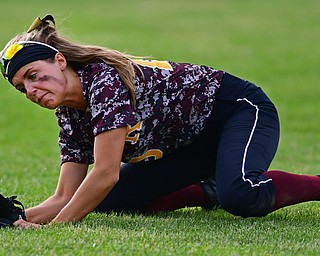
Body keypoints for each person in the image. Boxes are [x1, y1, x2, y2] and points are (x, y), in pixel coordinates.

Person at [1, 15, 319, 229]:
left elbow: (105, 173)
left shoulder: (103, 81)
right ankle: (209, 192)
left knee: (241, 194)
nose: (31, 90)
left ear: (60, 61)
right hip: (192, 144)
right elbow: (65, 196)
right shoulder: (69, 114)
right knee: (105, 201)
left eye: (33, 75)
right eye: (22, 87)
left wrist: (52, 230)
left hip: (240, 112)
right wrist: (18, 218)